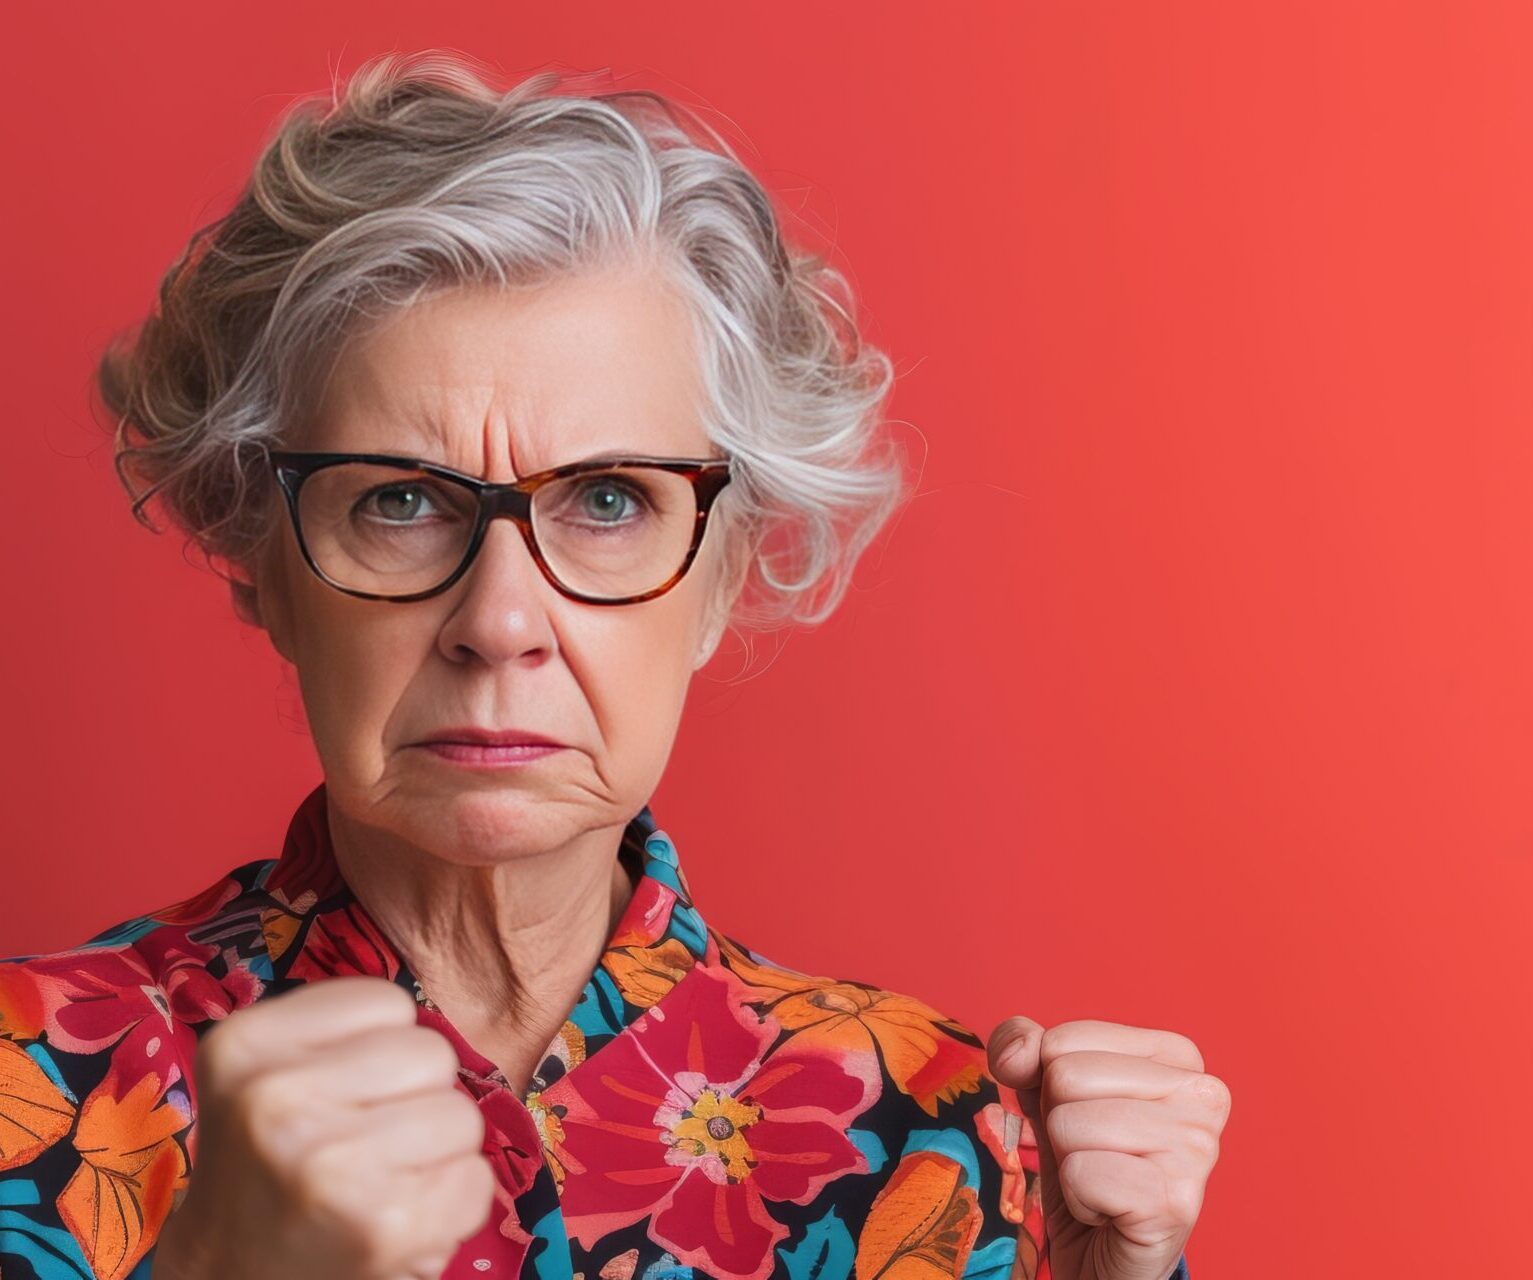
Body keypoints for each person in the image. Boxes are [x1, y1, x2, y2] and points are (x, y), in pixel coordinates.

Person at [0, 50, 1229, 1280]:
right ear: (257, 560)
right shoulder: (25, 1087)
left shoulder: (944, 1142)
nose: (499, 619)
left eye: (605, 498)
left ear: (723, 577)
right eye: (398, 500)